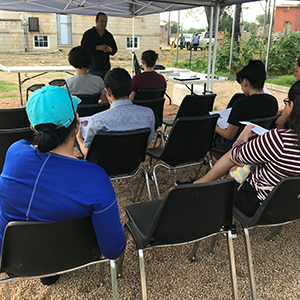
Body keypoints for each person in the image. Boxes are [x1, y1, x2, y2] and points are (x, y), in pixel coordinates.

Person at [0, 86, 126, 284]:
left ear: (33, 127)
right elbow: (113, 248)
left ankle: (47, 273)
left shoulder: (15, 152)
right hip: (74, 255)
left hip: (11, 258)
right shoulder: (94, 177)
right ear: (77, 124)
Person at [195, 81, 300, 217]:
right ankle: (203, 187)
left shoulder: (279, 140)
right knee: (239, 167)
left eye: (286, 103)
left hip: (261, 204)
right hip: (291, 205)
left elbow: (237, 154)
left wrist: (244, 132)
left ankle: (202, 188)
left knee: (233, 167)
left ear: (291, 106)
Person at [77, 67, 155, 156]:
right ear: (130, 89)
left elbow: (88, 153)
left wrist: (79, 139)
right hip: (133, 163)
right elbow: (145, 146)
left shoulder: (97, 120)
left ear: (107, 92)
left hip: (105, 166)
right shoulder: (148, 114)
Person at [213, 60, 278, 152]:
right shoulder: (273, 101)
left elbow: (229, 135)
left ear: (245, 82)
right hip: (258, 146)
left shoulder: (241, 104)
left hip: (236, 148)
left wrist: (214, 126)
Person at [81, 12, 117, 80]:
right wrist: (96, 48)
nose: (104, 24)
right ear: (96, 21)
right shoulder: (88, 34)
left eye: (105, 22)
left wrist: (110, 49)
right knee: (93, 89)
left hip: (106, 68)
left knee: (105, 89)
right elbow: (83, 49)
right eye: (101, 21)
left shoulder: (109, 35)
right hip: (93, 68)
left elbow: (115, 49)